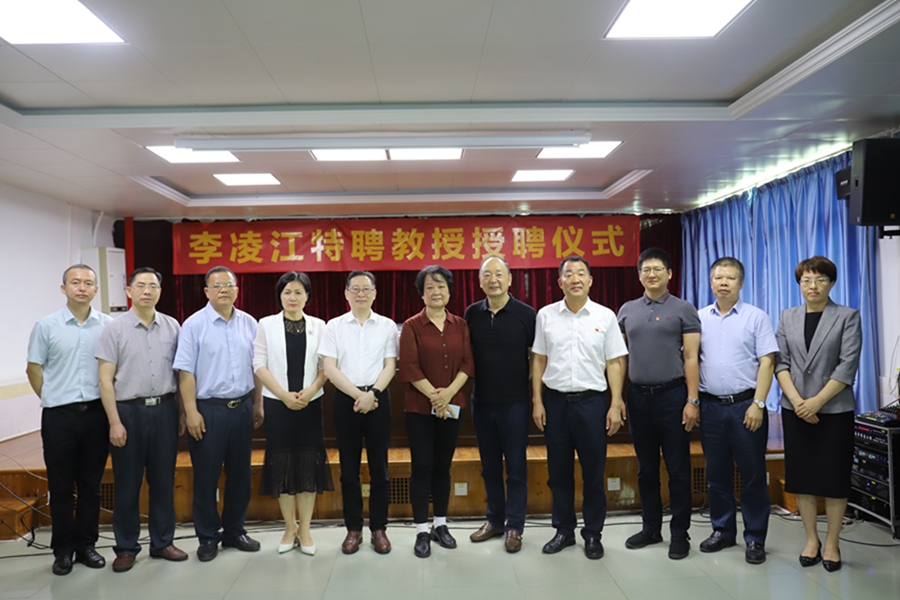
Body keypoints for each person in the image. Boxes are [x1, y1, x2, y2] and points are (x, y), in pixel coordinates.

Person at [532, 256, 628, 560]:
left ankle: (593, 534)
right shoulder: (546, 315)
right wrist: (537, 400)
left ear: (590, 281)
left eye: (581, 273)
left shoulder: (605, 316)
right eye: (569, 274)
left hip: (591, 404)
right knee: (558, 473)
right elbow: (539, 359)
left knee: (593, 474)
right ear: (560, 282)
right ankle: (564, 531)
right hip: (556, 402)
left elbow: (615, 362)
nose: (575, 279)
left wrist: (615, 403)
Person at [96, 267, 188, 572]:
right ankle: (126, 547)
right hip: (128, 412)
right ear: (129, 291)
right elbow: (105, 379)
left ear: (160, 291)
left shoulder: (173, 326)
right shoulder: (114, 329)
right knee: (127, 484)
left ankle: (163, 543)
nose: (147, 291)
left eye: (153, 286)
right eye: (141, 286)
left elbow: (181, 373)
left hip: (165, 409)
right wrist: (114, 422)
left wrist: (183, 412)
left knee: (163, 482)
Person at [775, 256, 861, 573]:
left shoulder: (847, 316)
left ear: (831, 283)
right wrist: (799, 401)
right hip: (795, 410)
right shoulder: (787, 317)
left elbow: (847, 366)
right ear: (799, 284)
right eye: (806, 280)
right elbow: (780, 363)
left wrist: (816, 402)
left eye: (820, 280)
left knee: (834, 478)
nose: (813, 286)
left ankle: (832, 543)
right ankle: (811, 540)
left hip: (834, 410)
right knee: (804, 478)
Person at [26, 264, 113, 576]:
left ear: (96, 289)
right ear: (63, 288)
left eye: (88, 283)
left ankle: (87, 545)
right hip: (59, 416)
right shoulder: (46, 326)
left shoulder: (108, 325)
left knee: (91, 486)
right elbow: (33, 369)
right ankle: (62, 550)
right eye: (75, 282)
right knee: (61, 487)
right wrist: (52, 397)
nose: (82, 287)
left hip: (96, 415)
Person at [173, 266, 263, 562]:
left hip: (242, 408)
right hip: (208, 411)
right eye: (217, 286)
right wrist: (191, 412)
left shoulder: (249, 323)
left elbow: (257, 367)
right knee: (206, 477)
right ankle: (208, 536)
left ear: (237, 289)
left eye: (229, 285)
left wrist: (258, 403)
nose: (224, 290)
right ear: (206, 291)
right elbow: (185, 372)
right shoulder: (194, 325)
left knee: (240, 476)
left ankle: (235, 531)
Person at [616, 247, 700, 560]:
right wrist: (618, 397)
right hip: (638, 398)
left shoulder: (683, 309)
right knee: (646, 468)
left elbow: (691, 356)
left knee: (678, 469)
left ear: (669, 274)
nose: (652, 274)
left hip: (672, 396)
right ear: (639, 275)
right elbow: (619, 358)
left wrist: (692, 400)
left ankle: (680, 533)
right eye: (646, 270)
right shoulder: (627, 310)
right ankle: (651, 528)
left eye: (658, 269)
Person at [697, 258, 777, 565]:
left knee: (753, 474)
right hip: (710, 407)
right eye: (718, 278)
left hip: (746, 406)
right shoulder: (699, 318)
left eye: (730, 278)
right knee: (716, 474)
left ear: (741, 283)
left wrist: (759, 403)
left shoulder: (756, 317)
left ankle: (755, 537)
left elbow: (767, 362)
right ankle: (722, 530)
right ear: (711, 282)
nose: (723, 283)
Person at [398, 265, 475, 558]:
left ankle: (440, 525)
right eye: (429, 287)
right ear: (422, 293)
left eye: (441, 286)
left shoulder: (461, 325)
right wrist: (435, 397)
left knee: (443, 467)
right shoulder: (411, 326)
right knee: (422, 467)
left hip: (451, 406)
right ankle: (421, 529)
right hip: (419, 408)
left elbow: (467, 363)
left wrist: (448, 395)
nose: (435, 292)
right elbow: (409, 367)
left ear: (449, 291)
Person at [253, 272, 332, 556]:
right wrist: (284, 394)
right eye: (287, 292)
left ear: (307, 296)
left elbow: (326, 366)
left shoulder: (320, 326)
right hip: (278, 404)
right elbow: (259, 364)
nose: (292, 297)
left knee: (308, 465)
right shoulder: (266, 324)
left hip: (310, 404)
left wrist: (311, 390)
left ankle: (306, 530)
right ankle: (290, 527)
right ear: (280, 296)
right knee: (283, 466)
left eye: (298, 292)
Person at [320, 271, 398, 555]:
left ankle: (379, 528)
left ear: (375, 293)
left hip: (378, 400)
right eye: (355, 289)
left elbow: (390, 366)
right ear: (346, 293)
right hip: (346, 400)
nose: (361, 294)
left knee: (380, 469)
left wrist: (372, 394)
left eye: (366, 289)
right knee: (349, 469)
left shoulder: (387, 325)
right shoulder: (334, 326)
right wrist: (358, 396)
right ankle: (353, 529)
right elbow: (330, 368)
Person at [464, 256, 535, 553]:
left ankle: (515, 526)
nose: (493, 279)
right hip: (481, 403)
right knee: (489, 467)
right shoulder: (471, 313)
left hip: (515, 404)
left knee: (516, 467)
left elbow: (535, 358)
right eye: (487, 274)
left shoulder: (527, 314)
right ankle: (494, 520)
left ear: (509, 279)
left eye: (499, 274)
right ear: (480, 281)